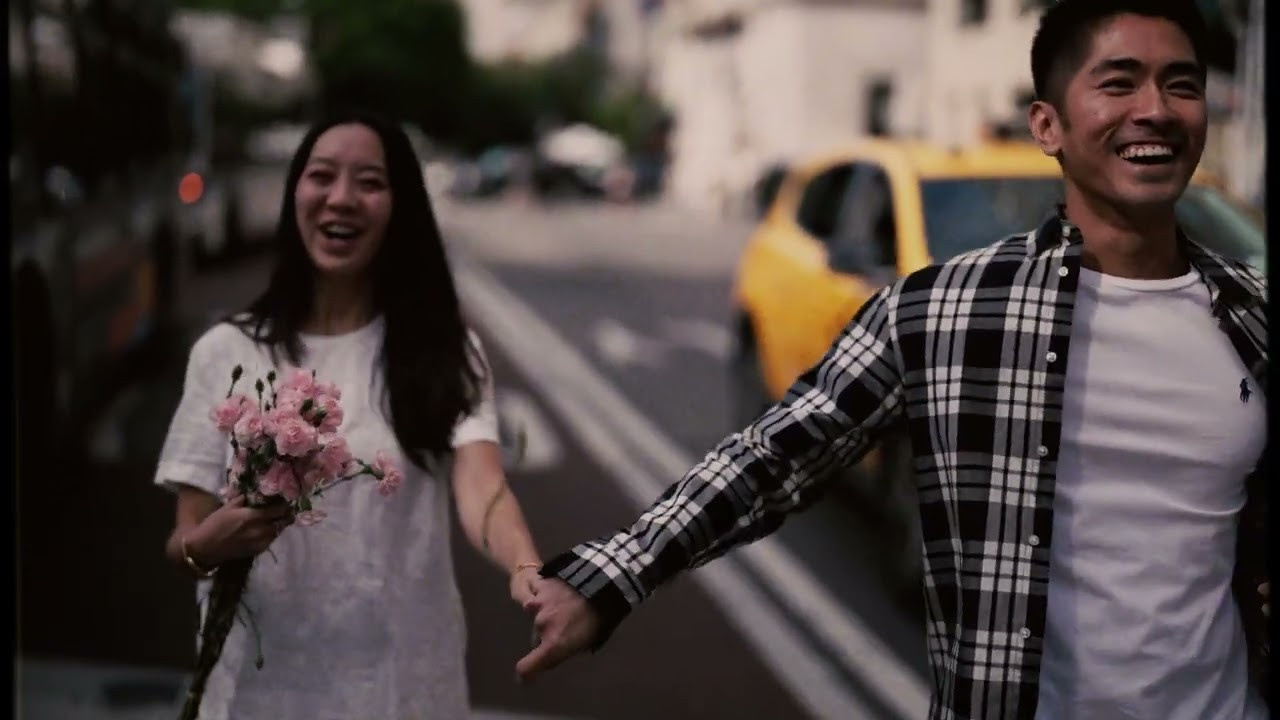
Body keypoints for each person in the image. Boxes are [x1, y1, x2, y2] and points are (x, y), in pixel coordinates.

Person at [515, 2, 1270, 718]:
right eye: (1119, 81)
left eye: (1183, 85)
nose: (1158, 109)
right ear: (1048, 124)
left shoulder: (1252, 316)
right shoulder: (944, 310)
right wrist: (611, 578)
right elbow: (773, 460)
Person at [156, 109, 543, 719]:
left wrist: (525, 566)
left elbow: (483, 487)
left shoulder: (442, 349)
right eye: (322, 176)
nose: (341, 198)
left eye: (370, 182)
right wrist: (212, 543)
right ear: (295, 194)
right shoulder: (225, 353)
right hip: (258, 696)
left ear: (401, 208)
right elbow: (185, 542)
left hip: (402, 688)